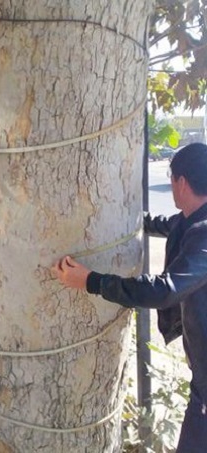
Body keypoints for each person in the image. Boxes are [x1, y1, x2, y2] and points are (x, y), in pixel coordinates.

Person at [52, 142, 207, 453]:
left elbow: (164, 290)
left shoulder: (204, 232)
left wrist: (90, 281)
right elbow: (154, 223)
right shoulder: (188, 220)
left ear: (181, 182)